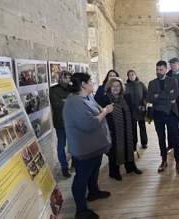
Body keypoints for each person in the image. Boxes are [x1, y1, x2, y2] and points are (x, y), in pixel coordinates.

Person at [63, 72, 114, 219]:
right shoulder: (74, 103)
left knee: (94, 170)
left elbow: (98, 110)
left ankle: (93, 192)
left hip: (95, 146)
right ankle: (81, 210)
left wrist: (104, 110)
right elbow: (89, 124)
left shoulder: (88, 97)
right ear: (83, 85)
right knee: (82, 177)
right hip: (84, 148)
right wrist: (105, 111)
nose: (93, 83)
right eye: (90, 81)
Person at [98, 77, 142, 181]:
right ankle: (114, 172)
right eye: (113, 86)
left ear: (121, 87)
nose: (115, 88)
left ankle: (130, 167)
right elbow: (101, 115)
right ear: (109, 87)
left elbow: (131, 113)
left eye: (118, 86)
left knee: (129, 146)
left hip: (128, 128)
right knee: (115, 150)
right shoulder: (104, 99)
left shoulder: (127, 97)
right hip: (113, 130)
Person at [147, 60, 179, 175]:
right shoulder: (152, 83)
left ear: (166, 69)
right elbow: (150, 98)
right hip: (158, 113)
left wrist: (159, 95)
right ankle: (164, 160)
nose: (158, 72)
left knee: (176, 138)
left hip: (171, 113)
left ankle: (178, 162)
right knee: (161, 138)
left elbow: (175, 95)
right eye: (157, 70)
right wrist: (167, 98)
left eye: (161, 70)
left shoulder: (172, 81)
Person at [49, 70, 73, 178]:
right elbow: (57, 104)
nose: (67, 79)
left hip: (72, 120)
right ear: (60, 77)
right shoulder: (53, 89)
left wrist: (65, 100)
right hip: (61, 122)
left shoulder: (72, 88)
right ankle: (64, 167)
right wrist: (69, 100)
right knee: (61, 145)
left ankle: (75, 163)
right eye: (65, 77)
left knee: (73, 143)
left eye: (69, 77)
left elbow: (76, 101)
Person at [125, 70, 148, 148]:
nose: (131, 76)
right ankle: (134, 143)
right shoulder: (126, 86)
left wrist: (144, 102)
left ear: (135, 75)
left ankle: (144, 142)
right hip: (131, 110)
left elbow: (146, 94)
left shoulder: (141, 84)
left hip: (140, 109)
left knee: (142, 127)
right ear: (128, 76)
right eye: (129, 75)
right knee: (132, 128)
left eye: (132, 74)